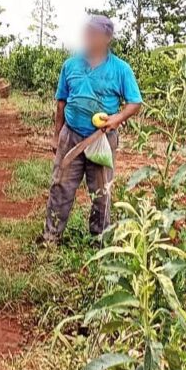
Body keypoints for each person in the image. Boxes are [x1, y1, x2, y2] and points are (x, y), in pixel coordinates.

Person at [40, 14, 142, 245]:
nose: (88, 37)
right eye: (86, 32)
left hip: (101, 139)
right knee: (60, 186)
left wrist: (118, 117)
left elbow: (135, 102)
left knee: (102, 191)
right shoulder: (71, 65)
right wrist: (57, 136)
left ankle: (100, 240)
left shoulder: (120, 69)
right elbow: (61, 103)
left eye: (93, 33)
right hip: (71, 135)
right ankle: (51, 236)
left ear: (106, 38)